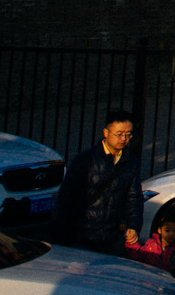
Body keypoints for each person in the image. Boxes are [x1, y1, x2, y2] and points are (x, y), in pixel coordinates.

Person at [51, 109, 145, 254]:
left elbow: (134, 197)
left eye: (128, 135)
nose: (123, 139)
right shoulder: (85, 160)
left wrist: (134, 225)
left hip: (112, 238)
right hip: (81, 237)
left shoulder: (131, 162)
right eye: (119, 134)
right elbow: (66, 198)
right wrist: (60, 235)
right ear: (106, 133)